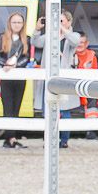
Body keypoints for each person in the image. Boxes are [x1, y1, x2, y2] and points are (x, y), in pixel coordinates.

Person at [31, 10, 80, 148]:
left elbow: (75, 41)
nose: (58, 23)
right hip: (49, 79)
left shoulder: (72, 35)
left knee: (64, 111)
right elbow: (35, 42)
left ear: (69, 22)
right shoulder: (50, 36)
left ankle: (64, 141)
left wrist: (62, 29)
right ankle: (49, 140)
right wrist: (37, 29)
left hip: (64, 78)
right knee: (47, 109)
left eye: (61, 20)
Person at [0, 12, 31, 149]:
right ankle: (10, 138)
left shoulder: (27, 38)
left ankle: (11, 138)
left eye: (19, 22)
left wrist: (16, 65)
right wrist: (6, 65)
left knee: (16, 108)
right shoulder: (3, 37)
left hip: (20, 78)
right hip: (6, 78)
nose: (17, 25)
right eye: (14, 22)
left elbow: (26, 58)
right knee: (7, 108)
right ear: (10, 23)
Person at [73, 32, 98, 140]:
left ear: (87, 43)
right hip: (72, 87)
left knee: (92, 102)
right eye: (77, 42)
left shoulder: (93, 55)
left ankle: (91, 131)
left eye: (82, 42)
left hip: (88, 87)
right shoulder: (69, 55)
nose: (80, 45)